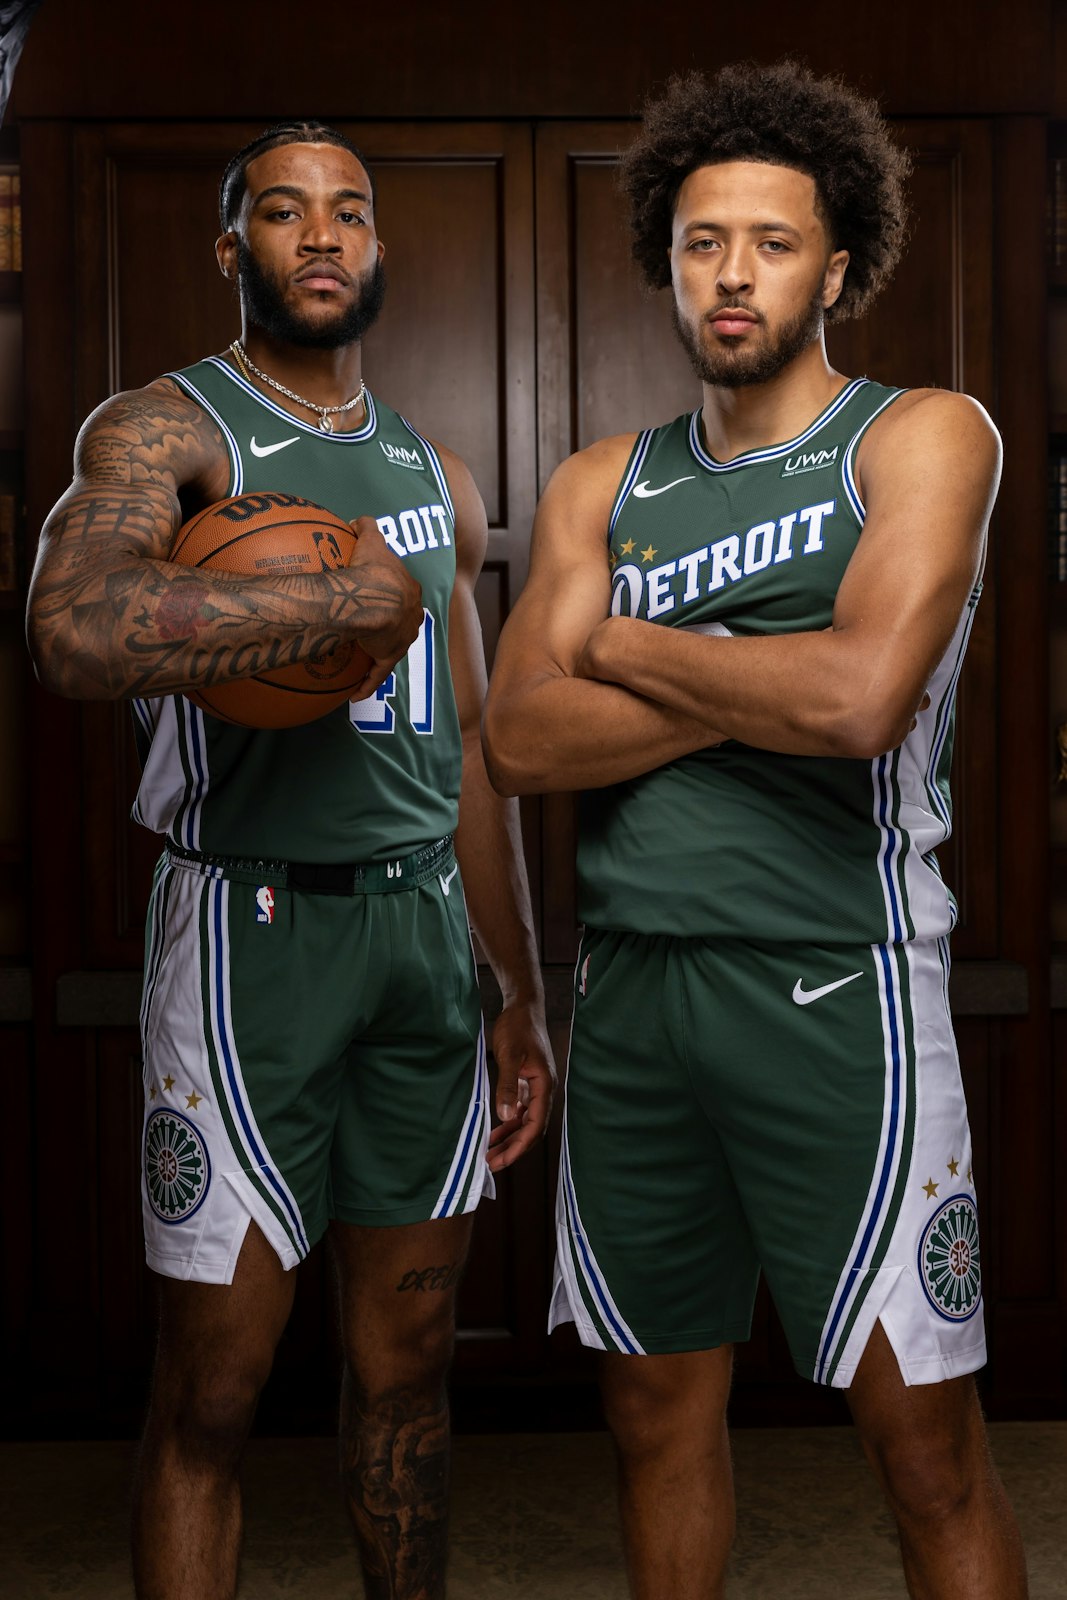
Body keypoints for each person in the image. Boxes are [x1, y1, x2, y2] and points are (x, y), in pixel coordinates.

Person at [482, 60, 1027, 1600]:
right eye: (703, 240)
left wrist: (633, 644)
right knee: (654, 1412)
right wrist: (760, 668)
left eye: (774, 243)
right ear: (668, 257)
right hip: (640, 999)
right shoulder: (606, 480)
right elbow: (520, 739)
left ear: (838, 264)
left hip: (841, 986)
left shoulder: (919, 438)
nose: (734, 273)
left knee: (922, 1446)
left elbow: (858, 702)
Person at [26, 121, 554, 1600]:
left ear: (377, 247)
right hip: (246, 934)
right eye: (281, 212)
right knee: (212, 1392)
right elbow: (70, 626)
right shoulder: (165, 429)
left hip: (422, 945)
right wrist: (322, 614)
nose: (320, 235)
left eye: (347, 212)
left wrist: (516, 987)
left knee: (409, 1383)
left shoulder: (435, 476)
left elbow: (466, 750)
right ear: (231, 250)